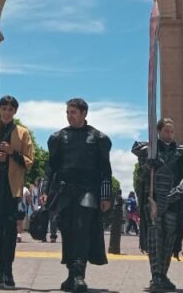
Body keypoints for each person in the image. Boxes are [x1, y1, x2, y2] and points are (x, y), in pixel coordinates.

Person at [41, 98, 112, 293]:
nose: (69, 115)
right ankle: (71, 275)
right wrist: (45, 192)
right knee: (68, 232)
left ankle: (80, 275)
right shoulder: (58, 137)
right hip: (64, 191)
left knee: (82, 230)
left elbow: (105, 170)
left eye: (73, 112)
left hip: (88, 190)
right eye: (68, 112)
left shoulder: (99, 138)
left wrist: (105, 196)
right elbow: (51, 168)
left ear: (84, 114)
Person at [132, 118, 183, 292]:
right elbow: (142, 176)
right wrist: (148, 166)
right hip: (153, 200)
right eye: (166, 131)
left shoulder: (182, 153)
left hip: (173, 202)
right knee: (155, 238)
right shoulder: (149, 151)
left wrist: (175, 194)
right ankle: (156, 277)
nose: (169, 134)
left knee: (169, 239)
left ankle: (163, 275)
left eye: (172, 131)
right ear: (159, 132)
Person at [0, 95, 36, 289]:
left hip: (11, 187)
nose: (6, 112)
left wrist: (12, 153)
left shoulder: (22, 133)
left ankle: (9, 272)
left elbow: (30, 161)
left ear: (15, 111)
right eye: (3, 108)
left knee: (10, 231)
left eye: (10, 109)